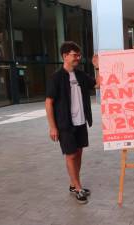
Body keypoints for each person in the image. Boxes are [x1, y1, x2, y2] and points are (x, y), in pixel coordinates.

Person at [45, 41, 99, 204]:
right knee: (71, 155)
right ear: (65, 56)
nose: (78, 58)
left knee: (79, 154)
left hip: (81, 122)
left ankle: (73, 184)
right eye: (75, 55)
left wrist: (96, 67)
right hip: (65, 124)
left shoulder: (80, 75)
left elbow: (97, 84)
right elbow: (49, 103)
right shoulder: (56, 77)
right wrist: (52, 127)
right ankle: (78, 187)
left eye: (79, 55)